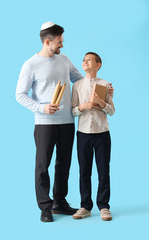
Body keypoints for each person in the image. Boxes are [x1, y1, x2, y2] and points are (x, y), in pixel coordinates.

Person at [16, 22, 114, 222]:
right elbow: (20, 95)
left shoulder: (64, 60)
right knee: (42, 165)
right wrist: (42, 107)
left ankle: (59, 202)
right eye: (60, 42)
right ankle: (45, 206)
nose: (63, 45)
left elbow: (81, 80)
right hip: (44, 122)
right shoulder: (30, 64)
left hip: (68, 121)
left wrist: (104, 89)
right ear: (48, 41)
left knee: (64, 164)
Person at [72, 52, 115, 221]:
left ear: (98, 64)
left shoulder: (105, 85)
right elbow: (72, 110)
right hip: (83, 133)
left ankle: (104, 206)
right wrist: (82, 106)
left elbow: (111, 111)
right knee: (84, 170)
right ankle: (85, 206)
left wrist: (100, 102)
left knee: (103, 170)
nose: (85, 62)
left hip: (102, 133)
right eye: (83, 60)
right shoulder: (77, 86)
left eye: (89, 59)